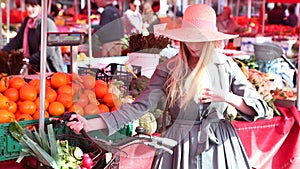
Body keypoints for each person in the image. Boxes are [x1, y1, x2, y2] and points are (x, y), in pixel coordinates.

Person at [67, 4, 270, 169]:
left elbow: (261, 108)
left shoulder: (226, 66)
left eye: (200, 39)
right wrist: (90, 123)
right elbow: (139, 107)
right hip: (179, 149)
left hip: (219, 148)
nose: (194, 45)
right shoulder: (168, 68)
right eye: (190, 38)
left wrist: (226, 97)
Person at [1, 0, 64, 73]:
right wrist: (2, 53)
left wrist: (30, 60)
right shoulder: (27, 22)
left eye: (33, 6)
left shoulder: (48, 23)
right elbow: (17, 41)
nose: (30, 9)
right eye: (28, 6)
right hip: (35, 69)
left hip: (50, 70)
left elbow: (49, 50)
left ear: (41, 7)